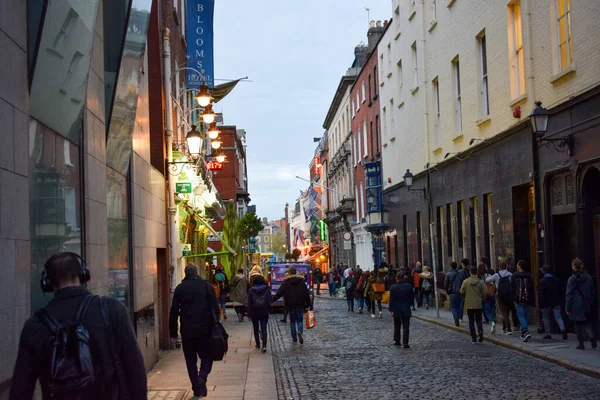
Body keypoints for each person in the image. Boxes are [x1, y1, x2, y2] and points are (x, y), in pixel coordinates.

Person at [9, 252, 147, 400]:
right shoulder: (111, 310)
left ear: (48, 283)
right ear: (82, 275)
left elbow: (20, 390)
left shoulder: (35, 326)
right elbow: (135, 370)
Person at [170, 263, 219, 398]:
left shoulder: (180, 289)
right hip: (205, 329)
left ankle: (196, 389)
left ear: (186, 273)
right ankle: (202, 376)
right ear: (197, 272)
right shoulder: (206, 286)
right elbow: (215, 308)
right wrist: (216, 324)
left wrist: (173, 332)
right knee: (207, 356)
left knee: (190, 360)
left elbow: (173, 311)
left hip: (187, 331)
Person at [272, 267, 311, 344]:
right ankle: (299, 331)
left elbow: (279, 292)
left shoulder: (286, 282)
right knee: (300, 321)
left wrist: (272, 300)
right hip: (300, 304)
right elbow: (306, 294)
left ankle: (294, 339)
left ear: (289, 273)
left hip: (290, 304)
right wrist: (308, 304)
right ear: (295, 272)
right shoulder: (301, 281)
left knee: (292, 322)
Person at [566, 258, 597, 350]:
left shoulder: (571, 279)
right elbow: (592, 291)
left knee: (578, 324)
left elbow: (569, 294)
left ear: (574, 267)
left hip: (576, 304)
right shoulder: (588, 277)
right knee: (587, 322)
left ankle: (581, 343)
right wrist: (591, 302)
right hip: (586, 302)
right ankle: (591, 336)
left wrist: (567, 308)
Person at [486, 262, 520, 334]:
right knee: (510, 310)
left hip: (500, 295)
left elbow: (487, 280)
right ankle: (510, 326)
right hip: (509, 295)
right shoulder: (510, 275)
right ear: (506, 267)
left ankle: (508, 328)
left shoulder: (496, 275)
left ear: (499, 267)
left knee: (504, 312)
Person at [538, 264, 568, 340]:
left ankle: (548, 333)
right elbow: (560, 291)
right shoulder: (556, 280)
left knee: (546, 317)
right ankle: (563, 328)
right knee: (558, 317)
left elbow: (541, 294)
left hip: (546, 303)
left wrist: (540, 304)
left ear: (544, 271)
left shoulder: (542, 281)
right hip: (556, 301)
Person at [460, 265, 486, 344]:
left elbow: (461, 291)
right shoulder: (480, 282)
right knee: (479, 320)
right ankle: (480, 333)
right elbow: (484, 292)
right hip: (478, 304)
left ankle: (473, 338)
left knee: (471, 321)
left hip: (469, 303)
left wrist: (465, 297)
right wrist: (481, 298)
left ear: (470, 272)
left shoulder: (466, 281)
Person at [248, 267, 271, 353]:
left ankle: (258, 343)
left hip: (255, 311)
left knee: (255, 328)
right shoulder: (266, 289)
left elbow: (249, 302)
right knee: (264, 328)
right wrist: (269, 309)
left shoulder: (251, 290)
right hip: (264, 311)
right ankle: (264, 345)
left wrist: (249, 312)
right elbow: (269, 300)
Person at [389, 272, 414, 348]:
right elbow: (412, 298)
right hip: (406, 308)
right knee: (406, 327)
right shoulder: (409, 287)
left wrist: (391, 309)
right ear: (403, 278)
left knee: (397, 325)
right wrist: (410, 304)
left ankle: (397, 341)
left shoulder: (393, 288)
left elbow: (392, 300)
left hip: (396, 309)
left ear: (397, 278)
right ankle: (405, 343)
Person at [512, 259, 535, 342]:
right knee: (524, 315)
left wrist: (513, 297)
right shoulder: (529, 275)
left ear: (520, 266)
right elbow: (532, 289)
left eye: (518, 264)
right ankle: (523, 333)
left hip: (518, 299)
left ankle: (525, 331)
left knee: (520, 315)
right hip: (527, 298)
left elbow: (512, 288)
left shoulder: (514, 275)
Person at [479, 264, 497, 333]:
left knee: (487, 311)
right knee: (492, 308)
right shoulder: (489, 276)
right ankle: (493, 319)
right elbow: (494, 285)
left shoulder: (480, 277)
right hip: (492, 294)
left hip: (485, 296)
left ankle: (492, 321)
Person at [444, 261, 463, 326]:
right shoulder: (460, 274)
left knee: (453, 307)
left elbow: (446, 284)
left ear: (451, 266)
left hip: (452, 293)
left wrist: (447, 292)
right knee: (458, 306)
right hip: (460, 292)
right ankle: (458, 316)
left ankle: (456, 317)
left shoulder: (448, 274)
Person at [456, 258, 471, 323]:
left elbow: (459, 281)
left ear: (462, 264)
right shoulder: (469, 271)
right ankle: (471, 317)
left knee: (461, 304)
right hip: (470, 289)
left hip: (462, 289)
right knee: (470, 304)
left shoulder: (460, 272)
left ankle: (460, 317)